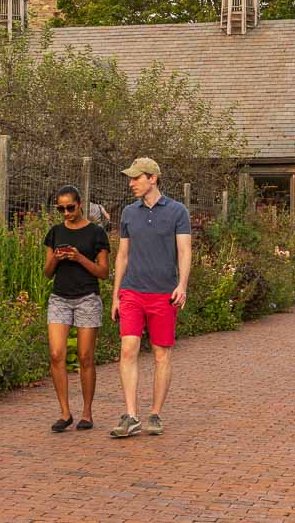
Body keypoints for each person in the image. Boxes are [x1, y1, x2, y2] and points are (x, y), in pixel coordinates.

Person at [109, 158, 192, 438]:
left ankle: (155, 414)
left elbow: (184, 251)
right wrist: (116, 295)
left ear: (153, 178)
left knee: (161, 354)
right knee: (128, 349)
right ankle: (131, 415)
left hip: (163, 294)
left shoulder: (178, 211)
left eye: (136, 178)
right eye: (131, 178)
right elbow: (122, 255)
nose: (131, 183)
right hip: (132, 291)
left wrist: (182, 285)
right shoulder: (128, 213)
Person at [42, 185, 110, 432]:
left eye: (70, 207)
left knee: (85, 356)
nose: (66, 213)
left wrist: (79, 257)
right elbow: (47, 272)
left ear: (80, 204)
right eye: (60, 208)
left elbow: (103, 272)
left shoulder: (96, 233)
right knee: (56, 354)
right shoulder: (55, 232)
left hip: (87, 297)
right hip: (60, 297)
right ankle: (64, 412)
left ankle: (86, 413)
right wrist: (57, 258)